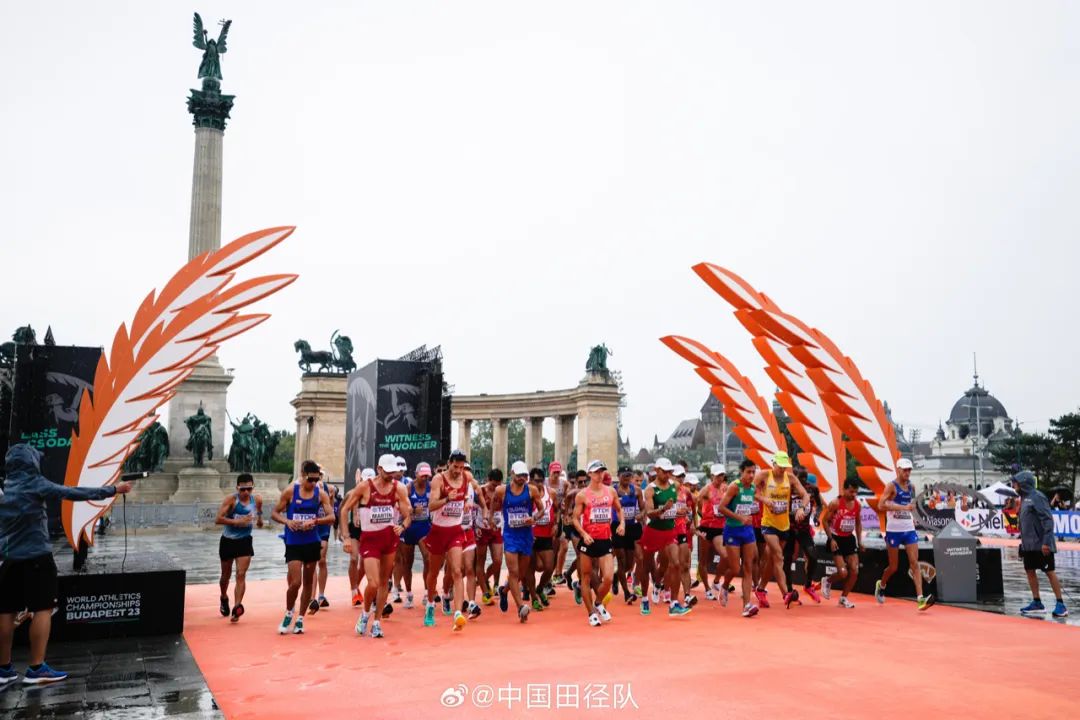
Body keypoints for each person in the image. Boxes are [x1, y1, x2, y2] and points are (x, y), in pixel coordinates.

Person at [0, 444, 133, 685]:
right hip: (37, 557)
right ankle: (36, 668)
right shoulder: (36, 483)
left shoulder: (4, 487)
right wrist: (114, 489)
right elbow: (75, 493)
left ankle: (3, 669)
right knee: (42, 608)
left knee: (6, 612)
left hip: (8, 560)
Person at [271, 460, 336, 635]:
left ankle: (300, 618)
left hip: (312, 541)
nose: (313, 483)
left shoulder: (320, 494)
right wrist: (288, 521)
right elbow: (274, 513)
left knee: (307, 582)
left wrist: (315, 521)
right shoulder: (291, 492)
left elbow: (331, 517)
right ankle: (288, 612)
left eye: (316, 479)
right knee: (295, 582)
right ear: (302, 476)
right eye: (310, 479)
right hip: (293, 542)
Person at [423, 449, 486, 630]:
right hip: (438, 531)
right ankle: (429, 604)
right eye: (455, 466)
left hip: (455, 532)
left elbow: (477, 491)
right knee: (433, 572)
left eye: (461, 467)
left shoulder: (466, 477)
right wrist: (446, 499)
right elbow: (431, 506)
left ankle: (458, 613)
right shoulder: (438, 480)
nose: (458, 470)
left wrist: (471, 502)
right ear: (449, 463)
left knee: (457, 571)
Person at [352, 454, 413, 638]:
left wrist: (402, 525)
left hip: (389, 538)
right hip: (370, 538)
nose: (391, 475)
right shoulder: (366, 487)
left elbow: (408, 513)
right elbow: (349, 504)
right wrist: (348, 532)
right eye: (387, 472)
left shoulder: (399, 488)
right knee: (373, 582)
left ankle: (377, 622)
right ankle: (364, 614)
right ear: (379, 469)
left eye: (393, 472)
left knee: (384, 581)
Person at [875, 458, 934, 611]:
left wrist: (912, 516)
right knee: (893, 567)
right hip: (894, 530)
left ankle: (920, 598)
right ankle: (881, 585)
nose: (908, 472)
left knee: (914, 562)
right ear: (898, 470)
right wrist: (903, 508)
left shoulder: (912, 487)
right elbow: (881, 505)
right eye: (905, 470)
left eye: (910, 470)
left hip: (908, 529)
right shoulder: (891, 486)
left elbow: (911, 506)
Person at [490, 461, 545, 622]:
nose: (522, 478)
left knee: (521, 574)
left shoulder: (531, 490)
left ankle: (505, 590)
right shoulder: (502, 490)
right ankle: (521, 606)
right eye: (520, 475)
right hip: (510, 534)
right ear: (512, 474)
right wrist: (491, 518)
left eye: (525, 475)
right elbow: (494, 502)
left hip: (526, 534)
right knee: (513, 572)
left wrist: (533, 518)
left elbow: (541, 510)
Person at [572, 460, 625, 626]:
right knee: (586, 578)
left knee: (608, 578)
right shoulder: (582, 495)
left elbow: (618, 509)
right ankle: (591, 613)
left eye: (601, 471)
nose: (599, 474)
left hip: (604, 540)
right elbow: (574, 518)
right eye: (596, 472)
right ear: (589, 474)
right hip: (588, 541)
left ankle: (598, 603)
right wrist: (583, 533)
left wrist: (622, 523)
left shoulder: (611, 491)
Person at [756, 451, 810, 610]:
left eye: (785, 467)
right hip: (768, 524)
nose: (782, 470)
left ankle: (760, 589)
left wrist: (801, 508)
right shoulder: (764, 476)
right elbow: (751, 491)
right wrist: (765, 499)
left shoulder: (791, 478)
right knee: (779, 556)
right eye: (780, 467)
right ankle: (786, 593)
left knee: (772, 560)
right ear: (773, 464)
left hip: (784, 525)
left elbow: (805, 495)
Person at [639, 458, 691, 617]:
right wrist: (663, 509)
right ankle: (644, 598)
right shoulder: (650, 489)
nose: (668, 474)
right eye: (665, 471)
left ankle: (674, 603)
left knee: (676, 564)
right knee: (646, 566)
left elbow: (679, 506)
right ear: (657, 470)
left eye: (670, 472)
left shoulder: (675, 486)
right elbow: (649, 513)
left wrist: (682, 512)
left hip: (669, 531)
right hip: (653, 532)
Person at [1013, 471, 1068, 617]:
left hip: (1041, 544)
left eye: (1016, 482)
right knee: (1030, 571)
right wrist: (1023, 545)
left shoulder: (1037, 497)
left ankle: (1061, 604)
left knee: (1049, 572)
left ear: (1024, 482)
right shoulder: (1024, 499)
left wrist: (1046, 542)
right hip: (1028, 545)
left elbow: (1047, 520)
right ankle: (1037, 602)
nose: (1014, 485)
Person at [214, 472, 263, 623]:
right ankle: (223, 597)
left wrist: (260, 521)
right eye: (243, 489)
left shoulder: (257, 500)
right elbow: (218, 519)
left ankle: (237, 607)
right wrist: (237, 522)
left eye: (249, 489)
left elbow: (259, 513)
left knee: (241, 575)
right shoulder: (231, 500)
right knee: (225, 576)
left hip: (245, 541)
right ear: (237, 488)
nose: (246, 492)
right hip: (228, 540)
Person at [719, 459, 761, 617]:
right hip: (732, 531)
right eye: (748, 472)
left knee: (748, 567)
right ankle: (724, 586)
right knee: (735, 568)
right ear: (742, 472)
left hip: (748, 531)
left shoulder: (753, 488)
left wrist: (752, 511)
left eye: (753, 472)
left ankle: (746, 605)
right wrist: (739, 517)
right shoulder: (734, 487)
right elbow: (721, 508)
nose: (751, 475)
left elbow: (749, 505)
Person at [819, 478, 863, 608]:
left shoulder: (857, 505)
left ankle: (843, 598)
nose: (853, 495)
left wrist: (860, 541)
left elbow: (858, 523)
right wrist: (831, 539)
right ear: (844, 490)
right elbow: (825, 521)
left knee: (854, 570)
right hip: (836, 539)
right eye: (851, 492)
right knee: (843, 573)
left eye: (856, 492)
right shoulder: (836, 503)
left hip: (849, 539)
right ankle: (827, 580)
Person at [394, 462, 432, 609]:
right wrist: (411, 510)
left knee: (428, 558)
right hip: (409, 528)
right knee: (406, 563)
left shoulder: (431, 487)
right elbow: (399, 505)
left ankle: (427, 591)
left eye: (427, 475)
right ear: (416, 474)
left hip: (424, 527)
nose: (425, 478)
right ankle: (409, 593)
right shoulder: (408, 488)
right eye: (422, 475)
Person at [784, 469, 822, 603]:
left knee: (813, 556)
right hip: (789, 529)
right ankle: (789, 589)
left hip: (804, 529)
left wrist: (816, 516)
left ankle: (807, 585)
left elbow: (820, 505)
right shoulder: (787, 488)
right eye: (800, 479)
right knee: (788, 559)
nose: (803, 482)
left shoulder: (812, 489)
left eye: (805, 479)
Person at [339, 468, 373, 607]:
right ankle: (354, 591)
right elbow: (342, 510)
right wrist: (343, 533)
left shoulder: (375, 494)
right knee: (354, 559)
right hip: (354, 530)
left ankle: (356, 585)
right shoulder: (351, 494)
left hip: (368, 531)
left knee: (365, 564)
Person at [612, 468, 644, 603]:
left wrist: (641, 516)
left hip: (631, 527)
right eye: (624, 475)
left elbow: (643, 508)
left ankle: (616, 576)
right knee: (621, 560)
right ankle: (626, 592)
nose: (626, 478)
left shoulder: (636, 490)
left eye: (629, 475)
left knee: (629, 564)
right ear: (618, 476)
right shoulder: (612, 491)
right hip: (618, 527)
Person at [697, 464, 728, 601]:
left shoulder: (725, 488)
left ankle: (716, 581)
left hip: (719, 528)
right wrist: (702, 513)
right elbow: (697, 501)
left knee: (726, 555)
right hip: (706, 527)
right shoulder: (706, 489)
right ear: (712, 477)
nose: (720, 478)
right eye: (717, 476)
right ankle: (707, 589)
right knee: (705, 560)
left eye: (722, 475)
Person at [310, 466, 338, 613]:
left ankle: (320, 595)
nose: (317, 478)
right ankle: (312, 597)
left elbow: (332, 511)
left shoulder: (329, 488)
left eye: (319, 475)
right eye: (315, 476)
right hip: (310, 528)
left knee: (321, 560)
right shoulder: (305, 488)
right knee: (311, 562)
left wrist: (330, 498)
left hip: (323, 528)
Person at [475, 468, 505, 605]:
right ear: (488, 480)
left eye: (498, 485)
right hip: (482, 528)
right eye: (493, 485)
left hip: (496, 528)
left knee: (498, 561)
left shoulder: (502, 492)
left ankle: (485, 577)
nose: (495, 487)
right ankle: (485, 593)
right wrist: (475, 527)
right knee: (480, 561)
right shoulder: (480, 491)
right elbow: (472, 509)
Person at [530, 467, 557, 611]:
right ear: (530, 480)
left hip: (546, 535)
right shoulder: (526, 493)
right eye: (536, 480)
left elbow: (557, 509)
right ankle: (534, 597)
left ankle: (540, 588)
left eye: (541, 480)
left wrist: (557, 524)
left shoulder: (550, 493)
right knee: (530, 568)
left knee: (548, 567)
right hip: (531, 536)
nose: (538, 483)